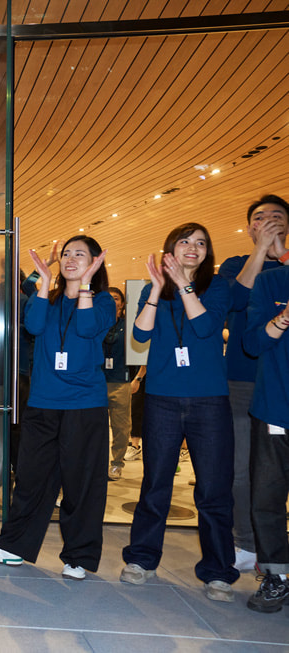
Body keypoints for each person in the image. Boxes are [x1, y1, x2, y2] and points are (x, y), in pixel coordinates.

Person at [0, 236, 114, 579]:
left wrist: (85, 286)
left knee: (82, 483)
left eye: (80, 254)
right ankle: (12, 547)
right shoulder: (46, 300)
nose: (70, 259)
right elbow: (32, 326)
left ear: (95, 261)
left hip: (84, 405)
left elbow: (86, 326)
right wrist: (44, 283)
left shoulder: (104, 301)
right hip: (43, 402)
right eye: (66, 254)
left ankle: (78, 556)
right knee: (32, 480)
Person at [120, 222, 238, 602]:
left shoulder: (217, 287)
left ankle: (219, 571)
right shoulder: (155, 289)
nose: (193, 247)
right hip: (162, 400)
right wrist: (156, 289)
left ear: (207, 253)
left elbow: (205, 328)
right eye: (185, 241)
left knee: (213, 489)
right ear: (171, 249)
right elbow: (140, 335)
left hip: (209, 401)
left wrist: (185, 284)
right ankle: (141, 558)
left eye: (201, 243)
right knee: (155, 484)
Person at [218, 194, 289, 572]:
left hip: (283, 383)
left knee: (276, 473)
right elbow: (235, 300)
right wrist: (263, 252)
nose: (269, 221)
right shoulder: (235, 265)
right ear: (250, 228)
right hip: (244, 380)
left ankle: (275, 551)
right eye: (260, 217)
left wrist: (283, 253)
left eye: (277, 216)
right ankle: (247, 544)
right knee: (243, 468)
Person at [243, 261, 289, 613]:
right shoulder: (271, 282)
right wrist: (283, 318)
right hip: (275, 410)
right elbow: (252, 342)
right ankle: (278, 576)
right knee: (267, 498)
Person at [104, 287, 135, 481]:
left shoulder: (128, 325)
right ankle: (96, 462)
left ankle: (117, 463)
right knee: (95, 427)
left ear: (122, 303)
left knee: (121, 428)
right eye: (109, 298)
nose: (113, 301)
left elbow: (142, 352)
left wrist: (138, 378)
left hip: (121, 382)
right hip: (96, 381)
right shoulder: (97, 323)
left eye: (116, 298)